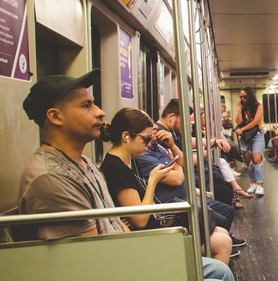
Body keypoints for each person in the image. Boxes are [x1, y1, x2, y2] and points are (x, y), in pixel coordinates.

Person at [18, 70, 250, 281]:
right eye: (86, 105)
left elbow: (112, 227)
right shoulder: (52, 178)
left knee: (219, 271)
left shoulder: (85, 165)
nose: (100, 111)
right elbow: (89, 261)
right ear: (55, 117)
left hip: (122, 260)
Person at [99, 108, 234, 264]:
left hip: (156, 222)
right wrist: (153, 181)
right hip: (147, 235)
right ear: (126, 137)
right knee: (223, 243)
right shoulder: (116, 168)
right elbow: (140, 220)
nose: (149, 143)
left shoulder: (131, 159)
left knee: (222, 232)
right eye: (145, 138)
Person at [235, 87, 265, 196]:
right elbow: (239, 121)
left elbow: (256, 121)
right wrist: (239, 109)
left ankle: (260, 184)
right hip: (245, 137)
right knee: (248, 161)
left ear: (250, 97)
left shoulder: (258, 106)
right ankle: (253, 183)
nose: (242, 99)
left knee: (257, 159)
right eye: (241, 97)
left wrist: (242, 129)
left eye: (244, 97)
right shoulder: (243, 109)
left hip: (256, 135)